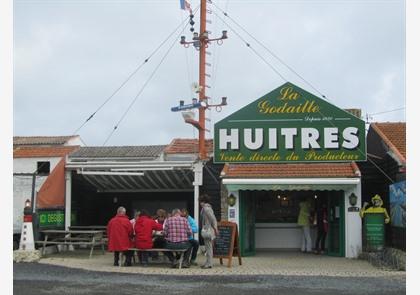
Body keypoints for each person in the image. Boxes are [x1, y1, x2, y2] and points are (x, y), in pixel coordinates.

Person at [199, 194, 218, 269]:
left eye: (201, 201)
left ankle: (209, 264)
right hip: (207, 229)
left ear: (203, 201)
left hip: (208, 230)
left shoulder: (206, 208)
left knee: (209, 247)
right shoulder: (205, 208)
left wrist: (216, 228)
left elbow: (213, 219)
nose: (200, 203)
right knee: (208, 247)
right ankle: (207, 262)